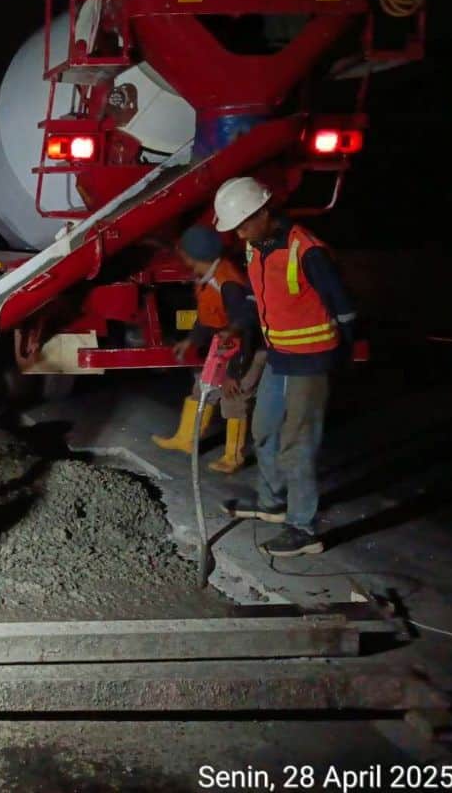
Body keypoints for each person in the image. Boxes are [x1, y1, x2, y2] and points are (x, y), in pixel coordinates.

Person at [213, 178, 357, 558]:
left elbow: (344, 307)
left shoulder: (306, 251)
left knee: (297, 443)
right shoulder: (255, 247)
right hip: (280, 355)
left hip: (310, 360)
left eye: (244, 224)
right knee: (263, 429)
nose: (239, 233)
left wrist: (344, 354)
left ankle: (303, 527)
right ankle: (272, 502)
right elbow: (256, 299)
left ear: (264, 212)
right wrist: (237, 328)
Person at [152, 225, 264, 473]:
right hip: (225, 344)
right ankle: (185, 440)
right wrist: (191, 340)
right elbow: (208, 317)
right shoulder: (208, 278)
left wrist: (233, 374)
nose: (183, 259)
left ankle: (233, 457)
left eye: (185, 255)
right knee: (202, 389)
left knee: (233, 398)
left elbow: (245, 330)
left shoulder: (228, 284)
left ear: (195, 256)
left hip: (247, 349)